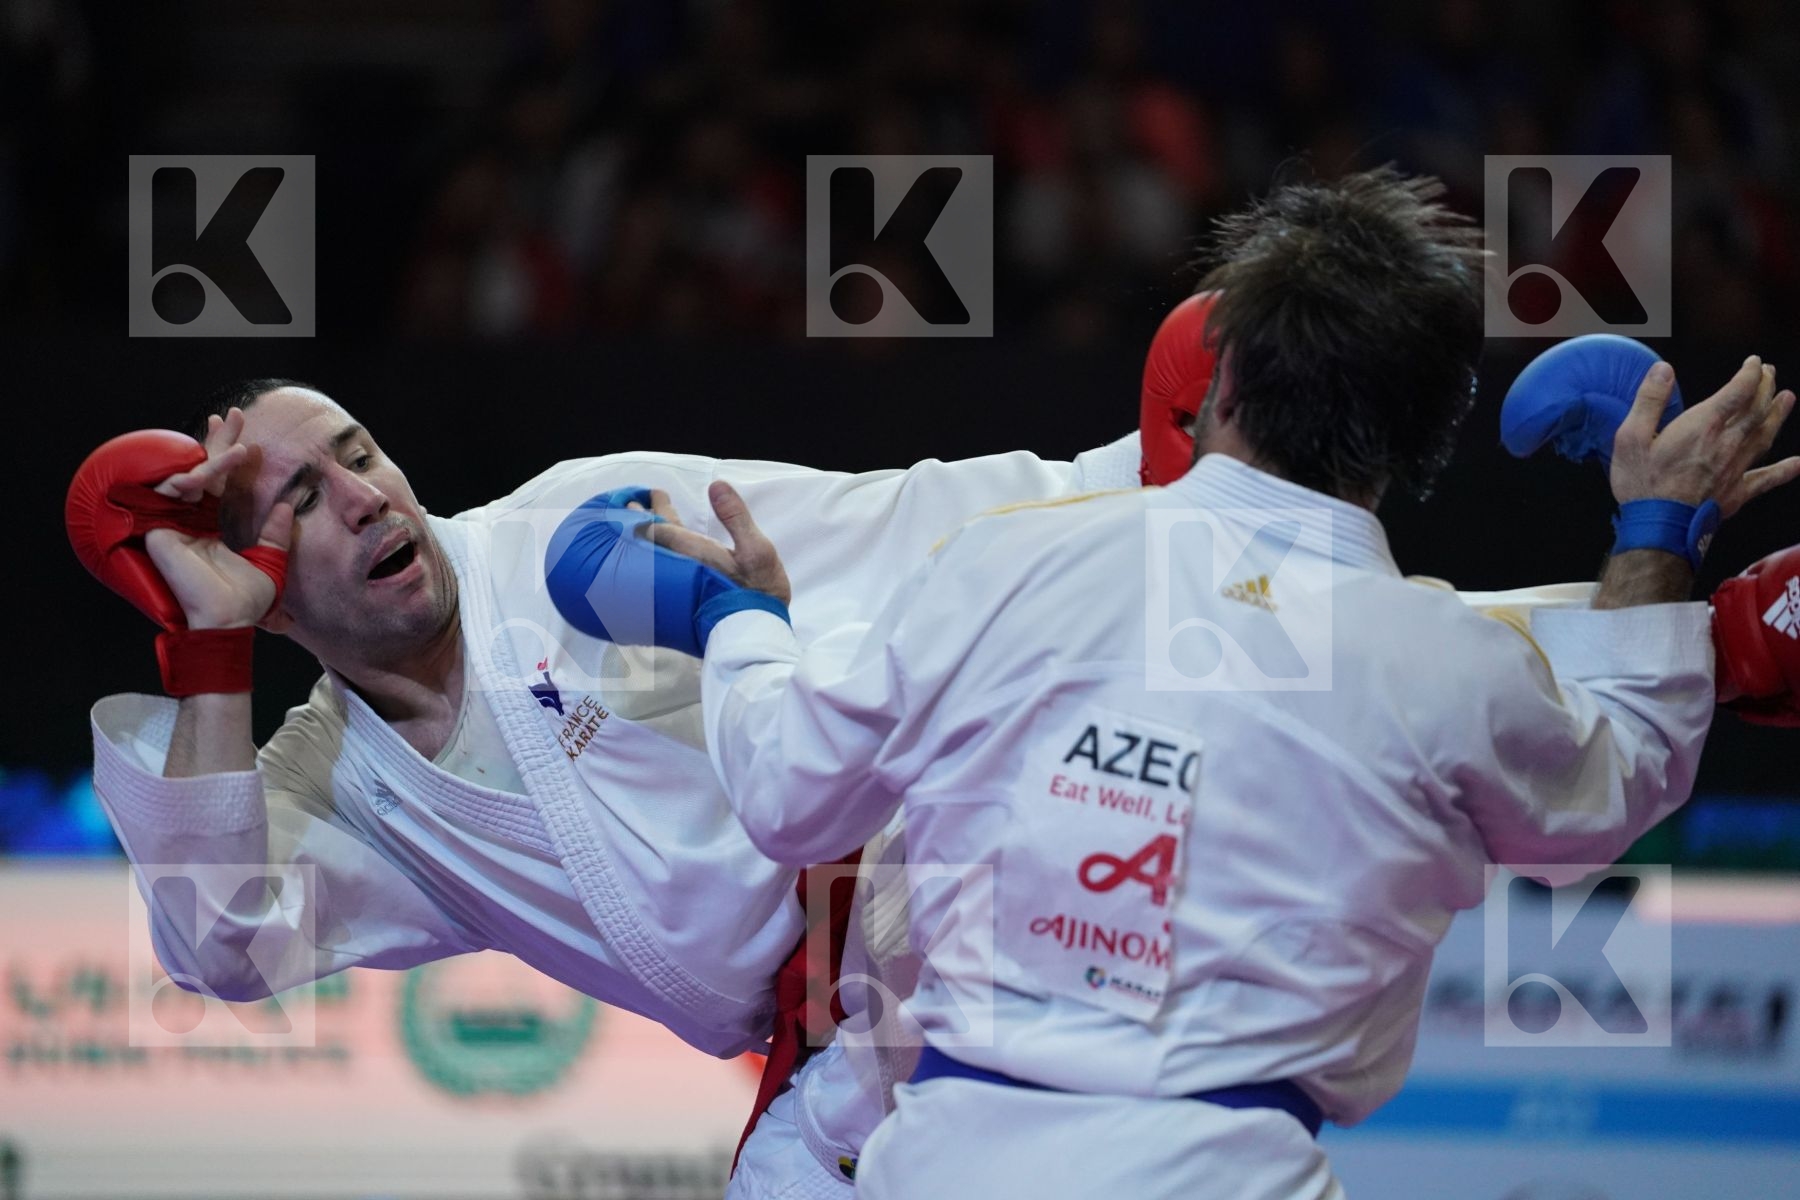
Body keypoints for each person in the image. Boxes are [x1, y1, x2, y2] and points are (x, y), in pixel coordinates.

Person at [636, 168, 1800, 1198]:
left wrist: (742, 623)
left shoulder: (1006, 562)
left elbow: (789, 793)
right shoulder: (1450, 664)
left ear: (1222, 373)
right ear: (1420, 441)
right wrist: (1658, 528)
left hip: (950, 1151)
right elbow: (1626, 776)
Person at [69, 389, 1142, 1198]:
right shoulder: (335, 784)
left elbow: (910, 520)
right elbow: (219, 944)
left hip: (944, 891)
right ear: (264, 591)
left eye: (360, 457)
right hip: (827, 1053)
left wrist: (1173, 464)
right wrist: (205, 643)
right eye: (301, 501)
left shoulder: (568, 537)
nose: (365, 500)